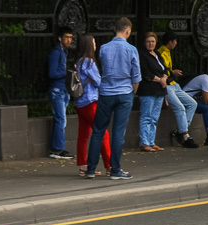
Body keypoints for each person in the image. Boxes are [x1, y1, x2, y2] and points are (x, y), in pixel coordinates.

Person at [85, 17, 141, 181]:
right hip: (124, 93)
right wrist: (132, 93)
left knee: (98, 131)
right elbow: (136, 76)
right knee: (118, 133)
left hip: (106, 93)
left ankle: (90, 169)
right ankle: (115, 170)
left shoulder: (103, 48)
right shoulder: (131, 50)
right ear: (128, 31)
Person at [72, 34, 111, 177]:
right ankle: (110, 165)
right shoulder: (89, 62)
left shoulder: (78, 61)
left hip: (80, 103)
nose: (95, 45)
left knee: (83, 135)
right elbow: (99, 82)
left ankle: (83, 165)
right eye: (94, 43)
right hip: (90, 101)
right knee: (102, 132)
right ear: (89, 45)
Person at [156, 31, 199, 148]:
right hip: (168, 86)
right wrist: (172, 72)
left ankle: (180, 131)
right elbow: (162, 70)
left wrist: (172, 72)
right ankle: (185, 135)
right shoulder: (160, 52)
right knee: (179, 108)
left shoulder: (168, 51)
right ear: (170, 42)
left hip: (174, 84)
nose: (176, 44)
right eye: (174, 41)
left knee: (192, 103)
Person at [136, 31, 168, 152]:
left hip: (160, 90)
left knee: (154, 117)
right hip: (148, 90)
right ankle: (144, 142)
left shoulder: (157, 54)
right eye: (148, 41)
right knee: (146, 116)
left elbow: (165, 68)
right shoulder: (142, 55)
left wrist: (164, 77)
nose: (151, 44)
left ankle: (151, 141)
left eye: (153, 41)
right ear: (144, 42)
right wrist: (160, 79)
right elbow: (145, 73)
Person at [46, 27, 74, 159]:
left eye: (70, 37)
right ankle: (57, 149)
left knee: (61, 119)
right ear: (60, 38)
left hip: (62, 89)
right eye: (66, 37)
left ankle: (57, 148)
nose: (69, 40)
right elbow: (52, 73)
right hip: (57, 90)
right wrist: (66, 73)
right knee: (60, 119)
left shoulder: (63, 52)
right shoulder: (56, 53)